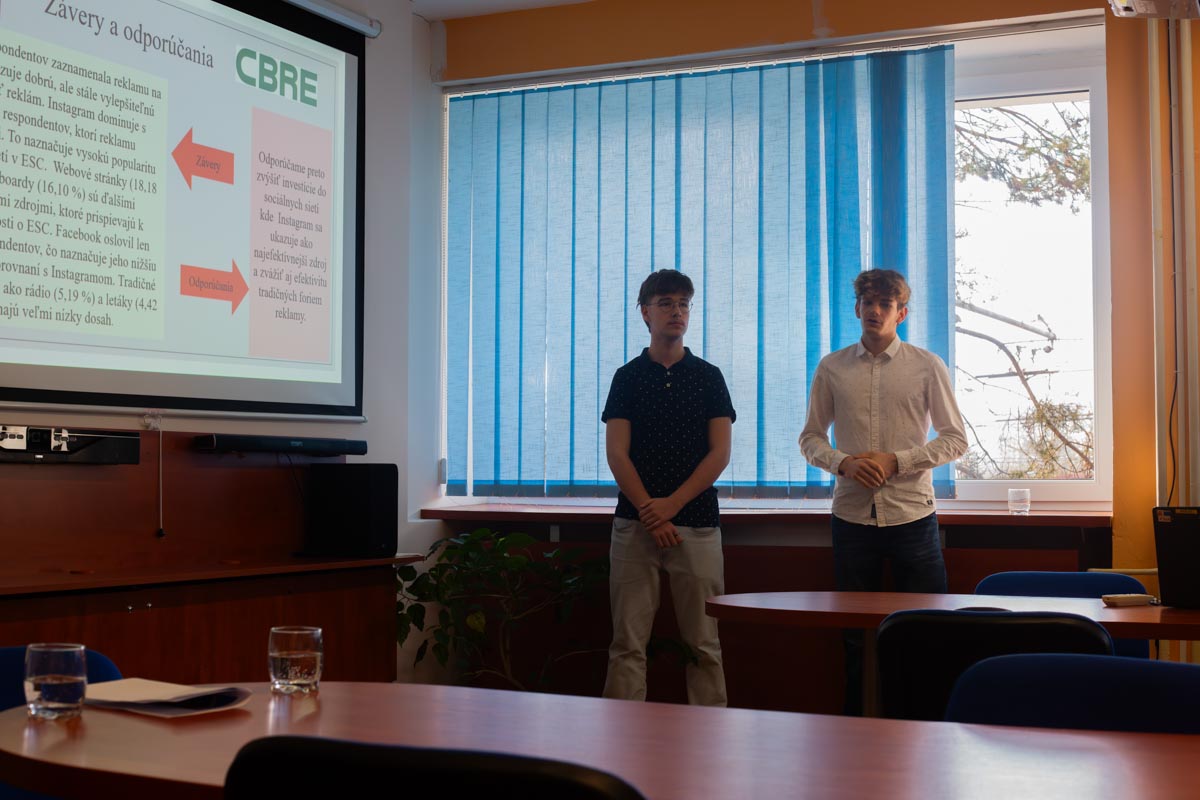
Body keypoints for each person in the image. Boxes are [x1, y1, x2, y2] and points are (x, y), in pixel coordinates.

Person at [799, 268, 967, 715]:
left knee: (927, 633)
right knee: (856, 638)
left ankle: (928, 731)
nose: (875, 310)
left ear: (901, 313)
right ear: (857, 308)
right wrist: (844, 463)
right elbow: (810, 438)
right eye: (868, 302)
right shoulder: (832, 367)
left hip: (913, 517)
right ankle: (859, 732)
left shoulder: (927, 365)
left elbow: (955, 440)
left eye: (885, 304)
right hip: (852, 520)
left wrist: (897, 461)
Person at [601, 269, 735, 706]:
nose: (676, 312)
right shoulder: (627, 377)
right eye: (665, 304)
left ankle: (710, 735)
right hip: (635, 525)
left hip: (696, 522)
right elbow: (617, 453)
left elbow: (719, 453)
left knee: (704, 644)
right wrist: (650, 512)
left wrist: (671, 506)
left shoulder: (709, 376)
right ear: (645, 312)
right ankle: (621, 736)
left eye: (683, 304)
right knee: (627, 644)